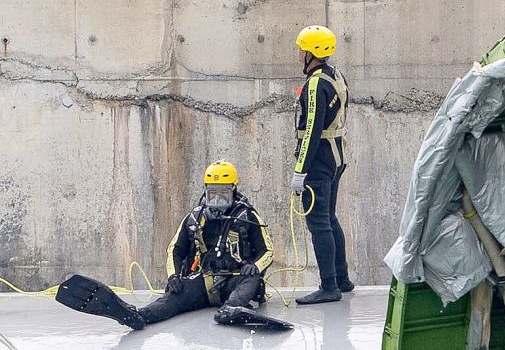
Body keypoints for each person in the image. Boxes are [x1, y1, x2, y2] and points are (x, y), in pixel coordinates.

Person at [55, 161, 280, 330]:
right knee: (173, 298)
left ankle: (233, 309)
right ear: (205, 190)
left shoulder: (247, 216)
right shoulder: (194, 218)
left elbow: (267, 250)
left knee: (250, 279)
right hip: (206, 281)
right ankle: (138, 315)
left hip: (237, 280)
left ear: (233, 190)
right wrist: (173, 277)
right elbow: (176, 249)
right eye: (213, 194)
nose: (217, 201)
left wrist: (256, 267)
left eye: (223, 194)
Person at [291, 25, 354, 304]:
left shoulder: (316, 84)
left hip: (319, 162)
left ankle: (329, 286)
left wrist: (299, 170)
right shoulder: (335, 76)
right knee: (330, 219)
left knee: (319, 224)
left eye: (302, 49)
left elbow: (313, 129)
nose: (299, 53)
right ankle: (342, 278)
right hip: (336, 156)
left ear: (312, 53)